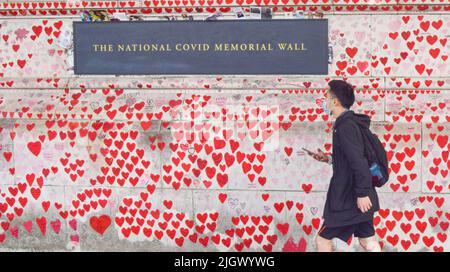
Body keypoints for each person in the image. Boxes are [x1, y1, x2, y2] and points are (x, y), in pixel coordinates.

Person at [309, 80, 381, 252]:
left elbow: (358, 161)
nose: (324, 101)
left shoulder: (345, 126)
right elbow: (351, 158)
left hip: (349, 198)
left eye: (326, 97)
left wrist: (362, 193)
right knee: (367, 241)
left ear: (335, 102)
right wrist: (328, 159)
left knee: (322, 241)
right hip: (359, 195)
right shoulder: (351, 123)